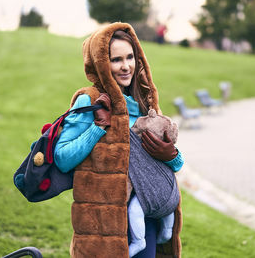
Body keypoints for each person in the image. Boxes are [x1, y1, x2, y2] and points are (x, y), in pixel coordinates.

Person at [54, 22, 183, 258]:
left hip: (145, 219)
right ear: (102, 63)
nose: (126, 67)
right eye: (116, 60)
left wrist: (171, 156)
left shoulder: (145, 104)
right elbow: (62, 159)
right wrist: (99, 126)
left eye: (130, 57)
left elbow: (171, 166)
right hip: (102, 227)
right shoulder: (90, 102)